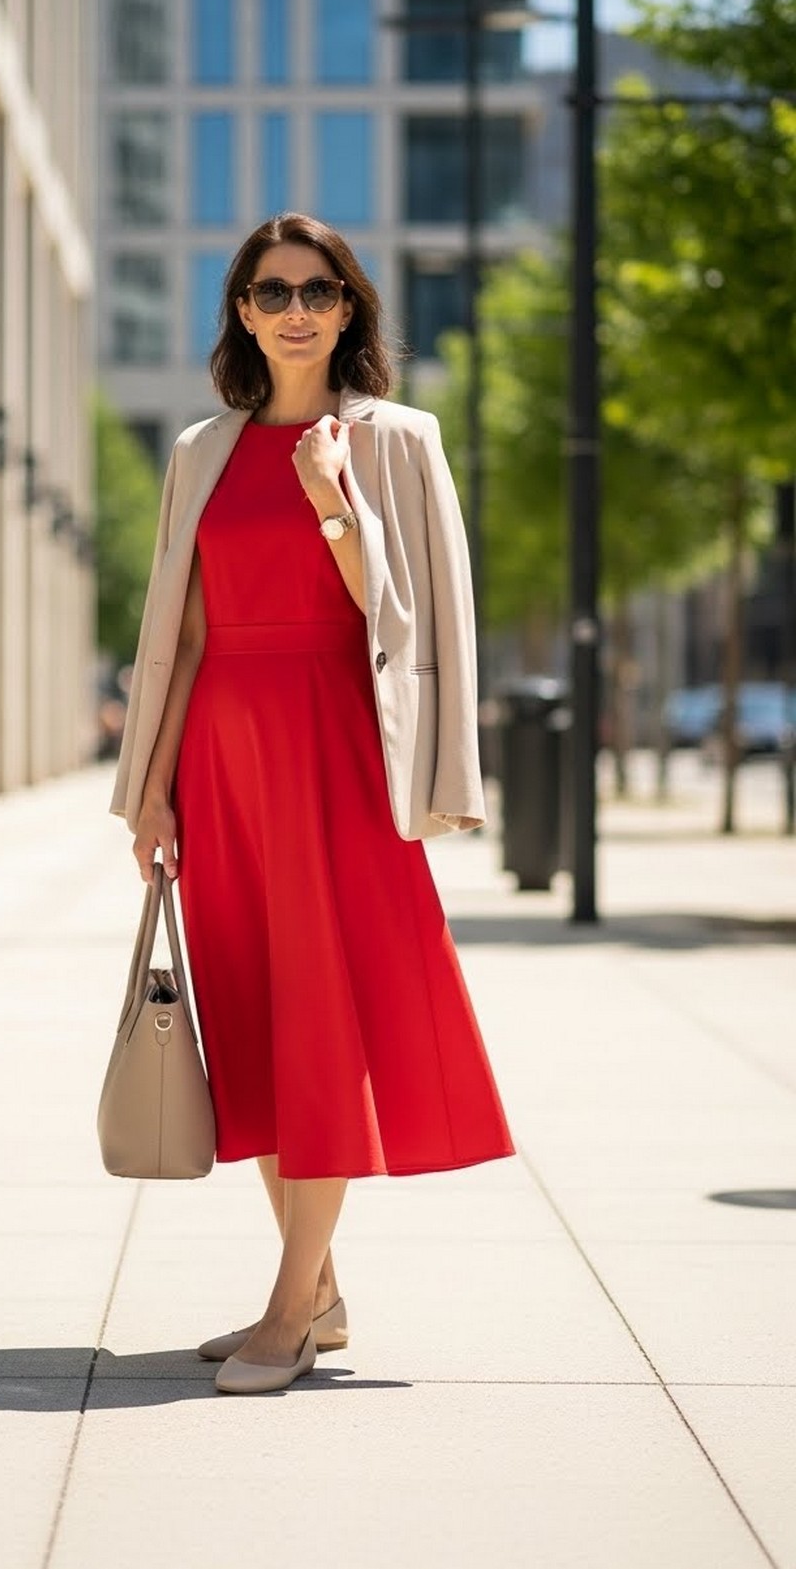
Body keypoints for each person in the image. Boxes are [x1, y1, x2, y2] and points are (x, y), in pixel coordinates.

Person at [109, 213, 515, 1396]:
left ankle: (289, 1310)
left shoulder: (396, 439)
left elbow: (409, 623)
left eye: (319, 289)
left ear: (350, 310)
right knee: (252, 1024)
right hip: (224, 764)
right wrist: (151, 794)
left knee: (324, 1023)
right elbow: (178, 635)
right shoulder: (200, 449)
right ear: (240, 308)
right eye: (271, 288)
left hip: (335, 758)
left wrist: (334, 499)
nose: (295, 308)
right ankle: (318, 1289)